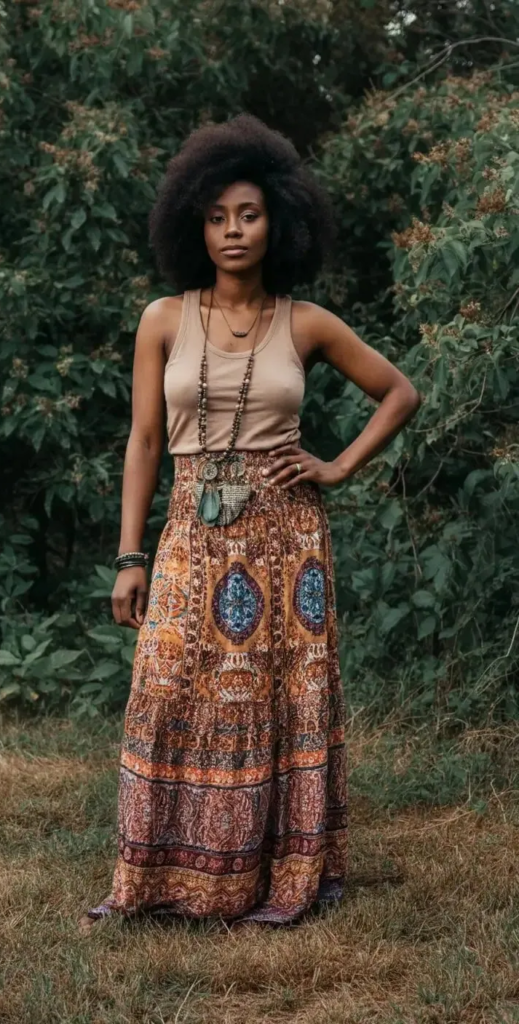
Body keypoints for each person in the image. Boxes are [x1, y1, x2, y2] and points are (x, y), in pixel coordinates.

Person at [79, 113, 420, 934]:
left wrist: (336, 466)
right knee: (165, 690)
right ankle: (154, 879)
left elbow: (400, 392)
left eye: (249, 215)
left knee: (277, 702)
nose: (233, 231)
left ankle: (281, 876)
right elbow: (146, 440)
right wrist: (130, 554)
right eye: (217, 216)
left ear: (280, 221)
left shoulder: (305, 322)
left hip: (286, 540)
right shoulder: (163, 316)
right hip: (191, 535)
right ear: (193, 223)